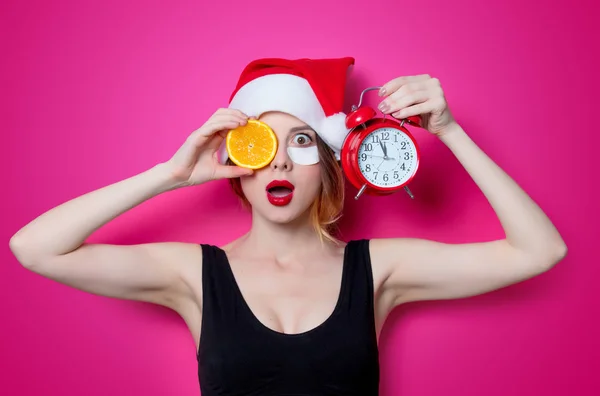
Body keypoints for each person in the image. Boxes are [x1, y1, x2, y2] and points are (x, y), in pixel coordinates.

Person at [9, 57, 567, 395]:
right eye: (262, 144)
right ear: (238, 167)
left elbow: (538, 251)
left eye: (300, 141)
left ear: (328, 164)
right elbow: (34, 248)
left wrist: (448, 130)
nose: (278, 162)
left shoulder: (378, 269)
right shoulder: (193, 273)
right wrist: (170, 175)